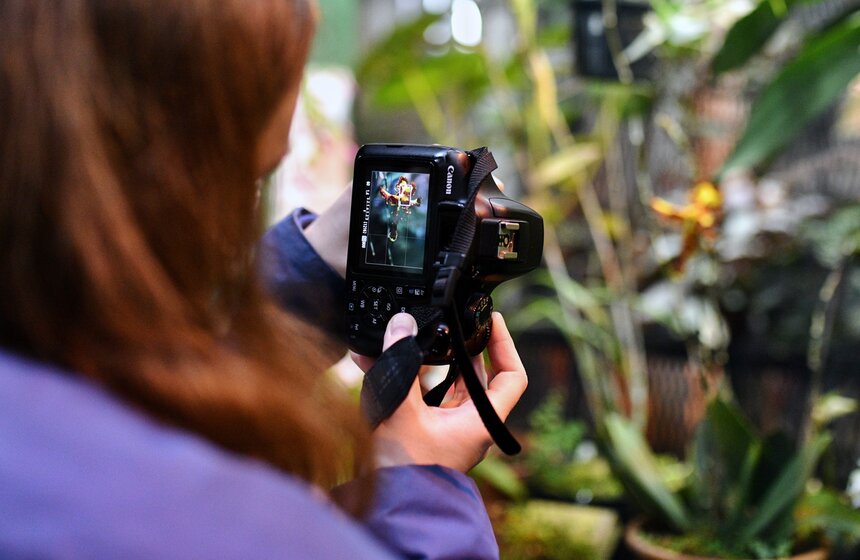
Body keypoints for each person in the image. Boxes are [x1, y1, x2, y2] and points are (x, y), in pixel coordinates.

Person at [0, 1, 528, 558]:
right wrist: (418, 484)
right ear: (162, 176)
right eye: (249, 181)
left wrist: (312, 264)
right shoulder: (208, 515)